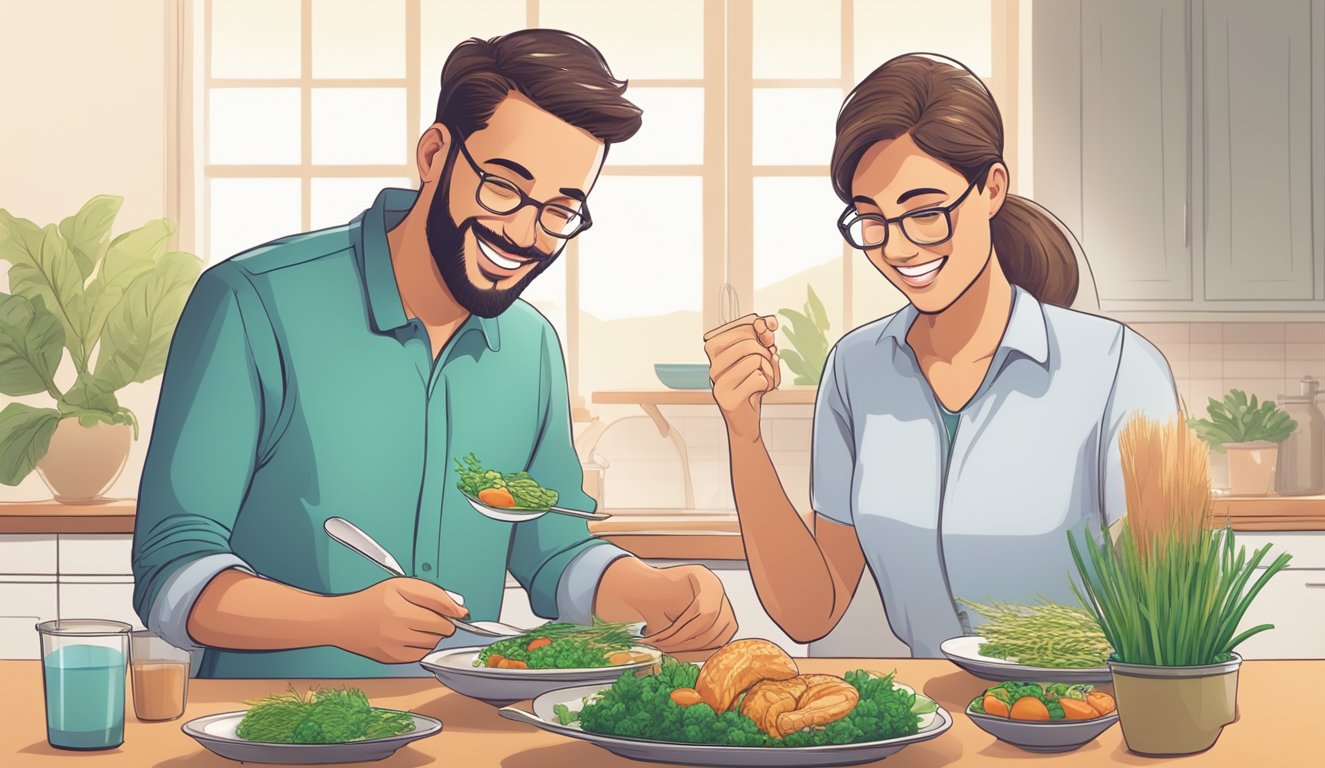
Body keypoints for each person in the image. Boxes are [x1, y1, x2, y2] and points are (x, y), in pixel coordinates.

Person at [132, 29, 736, 678]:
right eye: (504, 187)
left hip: (465, 730)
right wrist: (340, 622)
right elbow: (173, 575)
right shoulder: (252, 303)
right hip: (275, 730)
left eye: (561, 210)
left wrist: (657, 594)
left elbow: (551, 551)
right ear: (434, 153)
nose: (525, 235)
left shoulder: (530, 347)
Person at [703, 53, 1178, 657]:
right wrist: (744, 437)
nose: (898, 247)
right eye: (871, 219)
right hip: (923, 720)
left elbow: (1167, 613)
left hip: (1071, 716)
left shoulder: (1120, 370)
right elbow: (810, 611)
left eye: (926, 213)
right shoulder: (856, 369)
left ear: (992, 189)